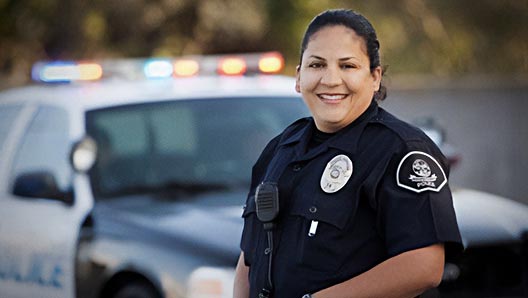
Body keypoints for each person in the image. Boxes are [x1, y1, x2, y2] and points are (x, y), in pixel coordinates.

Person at [233, 9, 462, 298]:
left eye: (348, 66)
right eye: (317, 65)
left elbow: (424, 265)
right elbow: (249, 257)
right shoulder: (280, 148)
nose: (330, 80)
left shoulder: (401, 150)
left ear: (375, 77)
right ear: (298, 77)